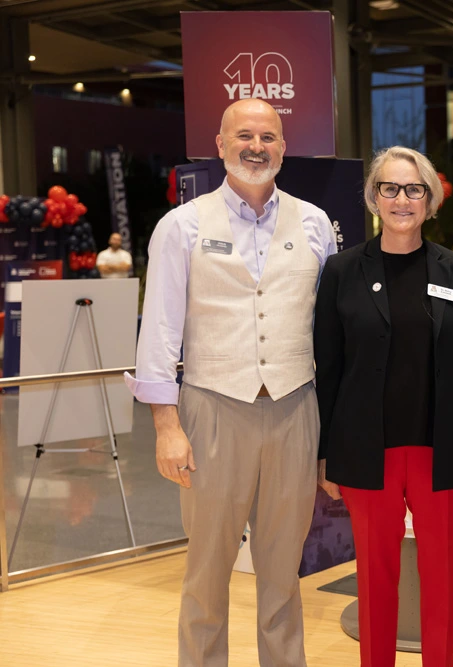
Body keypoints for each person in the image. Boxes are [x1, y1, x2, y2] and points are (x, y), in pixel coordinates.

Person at [124, 98, 338, 667]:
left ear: (284, 147)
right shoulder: (181, 226)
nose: (256, 146)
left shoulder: (315, 224)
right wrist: (166, 426)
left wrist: (333, 436)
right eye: (243, 135)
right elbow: (161, 331)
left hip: (295, 410)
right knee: (206, 572)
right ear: (219, 145)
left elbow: (332, 333)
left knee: (282, 574)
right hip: (211, 412)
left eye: (268, 136)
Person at [314, 146, 453, 667]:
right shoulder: (343, 271)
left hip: (444, 451)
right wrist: (326, 453)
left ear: (431, 200)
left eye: (414, 189)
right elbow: (328, 367)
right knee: (374, 579)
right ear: (374, 197)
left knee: (442, 576)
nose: (401, 199)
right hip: (368, 452)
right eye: (389, 188)